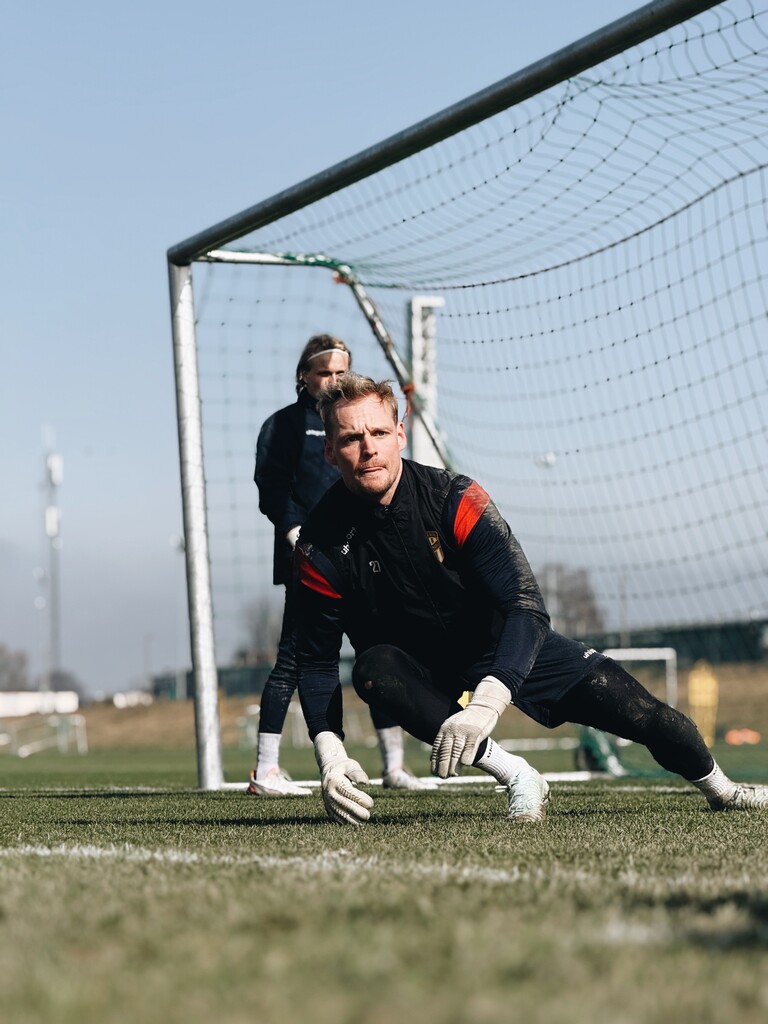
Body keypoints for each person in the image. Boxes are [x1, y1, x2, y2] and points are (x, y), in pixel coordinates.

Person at [293, 372, 768, 824]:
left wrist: (488, 702)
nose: (368, 448)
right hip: (417, 665)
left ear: (401, 433)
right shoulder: (320, 543)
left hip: (505, 645)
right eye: (352, 439)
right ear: (331, 452)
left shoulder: (455, 499)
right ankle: (518, 774)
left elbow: (525, 604)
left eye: (378, 431)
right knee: (373, 670)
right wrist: (330, 754)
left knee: (644, 714)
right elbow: (315, 660)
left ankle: (724, 790)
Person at [246, 337, 435, 796]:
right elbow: (271, 488)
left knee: (380, 650)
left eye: (341, 372)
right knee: (296, 658)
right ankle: (266, 770)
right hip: (310, 559)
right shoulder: (284, 426)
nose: (333, 380)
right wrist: (296, 535)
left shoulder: (357, 422)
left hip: (364, 557)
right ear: (304, 376)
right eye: (325, 373)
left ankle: (393, 766)